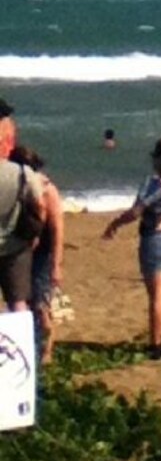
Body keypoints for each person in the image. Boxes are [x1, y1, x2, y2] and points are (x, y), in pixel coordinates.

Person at [103, 137, 161, 359]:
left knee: (157, 295)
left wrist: (115, 223)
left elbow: (136, 212)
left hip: (156, 238)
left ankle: (156, 344)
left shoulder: (154, 184)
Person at [9, 146, 64, 364]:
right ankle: (34, 346)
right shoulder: (21, 188)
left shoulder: (47, 190)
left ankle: (46, 351)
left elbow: (58, 229)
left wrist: (57, 264)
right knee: (28, 299)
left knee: (41, 303)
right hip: (24, 250)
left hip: (44, 252)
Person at [0, 99, 45, 314]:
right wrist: (34, 233)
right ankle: (20, 336)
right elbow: (39, 205)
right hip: (15, 244)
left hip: (14, 244)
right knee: (18, 301)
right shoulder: (21, 173)